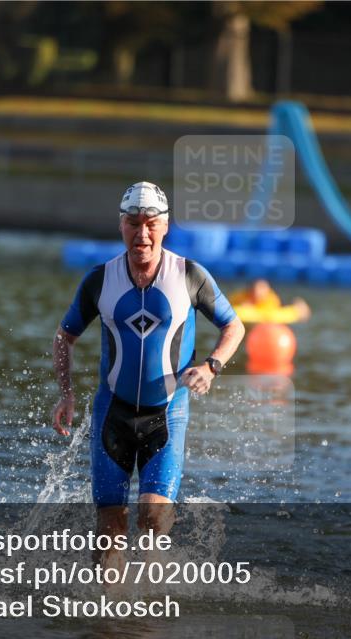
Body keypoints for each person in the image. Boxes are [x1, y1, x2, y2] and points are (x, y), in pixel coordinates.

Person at [52, 181, 245, 566]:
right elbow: (64, 337)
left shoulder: (190, 275)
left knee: (152, 519)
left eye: (151, 224)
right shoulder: (99, 280)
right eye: (133, 223)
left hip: (167, 413)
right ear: (121, 226)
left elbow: (234, 326)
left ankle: (149, 608)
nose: (142, 234)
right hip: (113, 412)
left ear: (166, 226)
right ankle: (109, 617)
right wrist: (66, 393)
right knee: (110, 526)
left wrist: (212, 365)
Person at [228, 279, 311, 324]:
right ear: (250, 291)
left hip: (280, 307)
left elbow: (269, 315)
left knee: (299, 308)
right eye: (255, 292)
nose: (258, 294)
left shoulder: (271, 300)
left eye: (261, 291)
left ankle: (299, 304)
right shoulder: (240, 296)